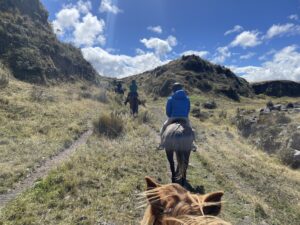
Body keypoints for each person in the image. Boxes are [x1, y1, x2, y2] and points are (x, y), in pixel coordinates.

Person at [158, 82, 197, 151]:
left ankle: (162, 144)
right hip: (184, 118)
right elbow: (188, 109)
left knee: (164, 127)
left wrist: (171, 116)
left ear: (173, 89)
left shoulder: (170, 98)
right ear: (181, 89)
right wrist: (184, 115)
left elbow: (168, 111)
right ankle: (192, 144)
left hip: (173, 118)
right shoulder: (187, 98)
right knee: (191, 129)